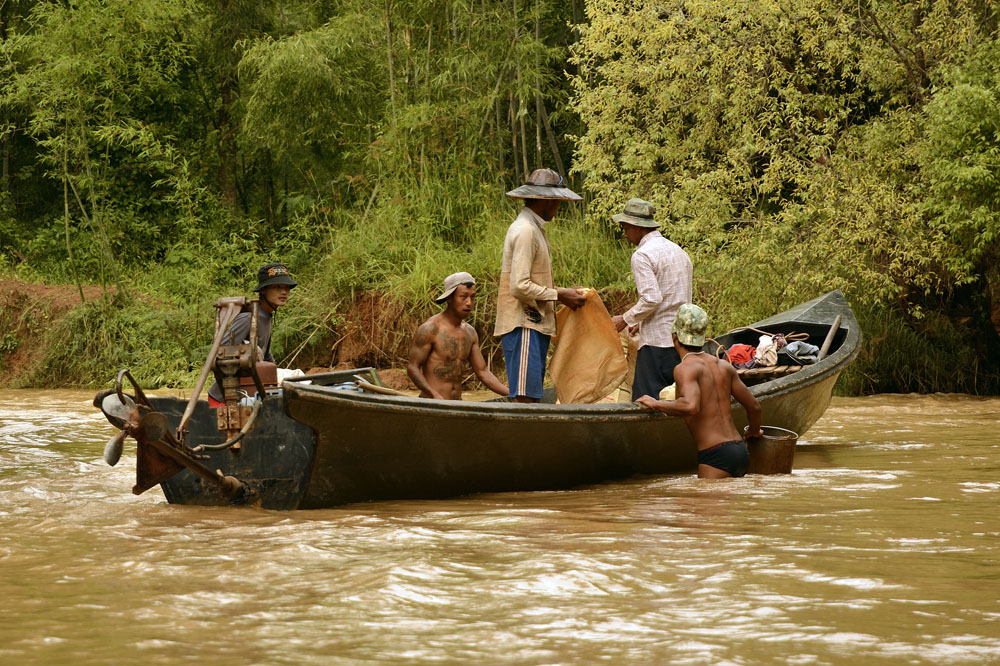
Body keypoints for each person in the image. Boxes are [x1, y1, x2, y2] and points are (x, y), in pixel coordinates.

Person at [636, 303, 763, 479]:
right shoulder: (724, 366)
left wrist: (656, 403)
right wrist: (754, 431)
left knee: (700, 506)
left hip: (714, 455)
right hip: (740, 451)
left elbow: (690, 406)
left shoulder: (684, 368)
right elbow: (754, 406)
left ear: (675, 336)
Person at [494, 168, 587, 403]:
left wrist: (560, 293)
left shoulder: (534, 228)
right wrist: (559, 294)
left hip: (533, 323)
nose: (557, 208)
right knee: (525, 397)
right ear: (545, 202)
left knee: (531, 395)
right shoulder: (526, 230)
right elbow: (519, 286)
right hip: (524, 323)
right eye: (556, 202)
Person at [610, 198, 693, 402]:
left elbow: (652, 298)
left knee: (646, 400)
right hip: (682, 340)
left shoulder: (642, 255)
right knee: (675, 397)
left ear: (637, 227)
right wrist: (640, 320)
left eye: (626, 228)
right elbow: (673, 295)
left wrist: (626, 319)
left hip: (657, 343)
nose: (625, 234)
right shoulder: (678, 251)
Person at [407, 272, 508, 400]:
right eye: (463, 296)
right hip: (432, 403)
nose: (469, 303)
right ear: (449, 298)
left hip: (457, 403)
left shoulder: (470, 333)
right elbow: (412, 367)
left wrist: (511, 394)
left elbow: (483, 372)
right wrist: (434, 395)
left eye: (472, 297)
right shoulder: (431, 329)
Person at [207, 262, 297, 407]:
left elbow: (266, 356)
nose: (284, 292)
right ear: (263, 290)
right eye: (277, 287)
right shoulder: (248, 318)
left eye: (286, 287)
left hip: (249, 394)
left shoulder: (266, 316)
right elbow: (220, 352)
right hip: (224, 400)